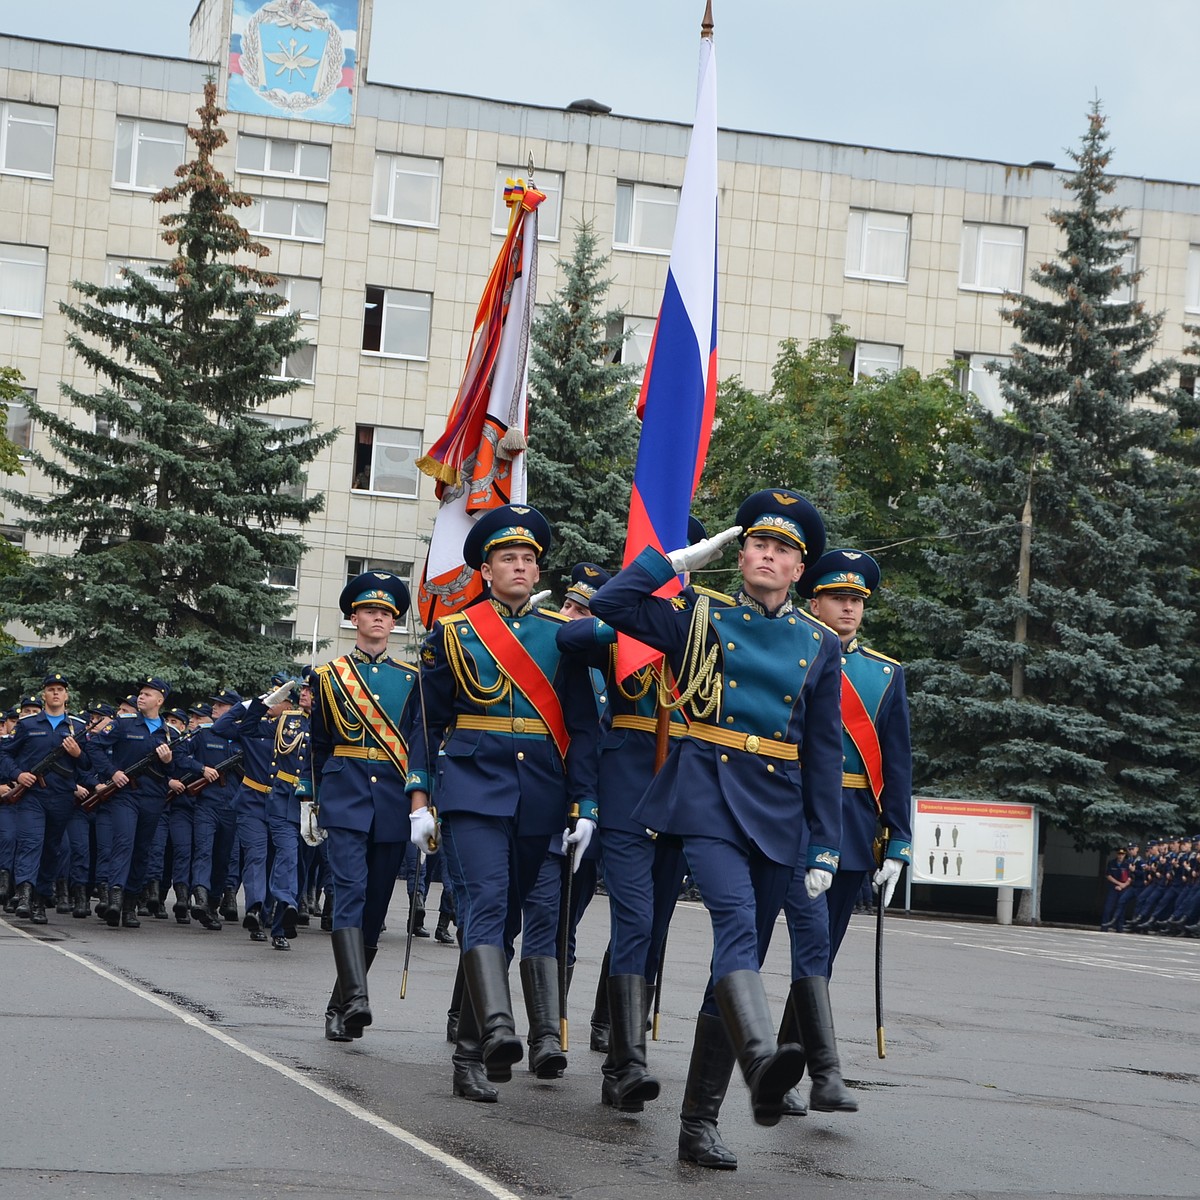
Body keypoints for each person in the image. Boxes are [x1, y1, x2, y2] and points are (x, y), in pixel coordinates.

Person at [589, 489, 843, 1170]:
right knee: (733, 922)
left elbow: (823, 749)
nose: (766, 554)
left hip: (778, 809)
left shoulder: (818, 644)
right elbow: (610, 606)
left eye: (782, 549)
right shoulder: (698, 617)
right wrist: (670, 560)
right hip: (704, 794)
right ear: (742, 556)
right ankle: (761, 1059)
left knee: (741, 963)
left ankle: (697, 1124)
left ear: (799, 570)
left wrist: (825, 841)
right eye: (757, 543)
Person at [407, 505, 600, 1104]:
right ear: (486, 571)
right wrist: (420, 797)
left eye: (528, 559)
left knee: (542, 912)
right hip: (472, 792)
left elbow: (582, 727)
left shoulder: (560, 638)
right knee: (486, 907)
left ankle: (533, 1039)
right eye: (508, 559)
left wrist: (585, 802)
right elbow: (424, 722)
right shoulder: (456, 634)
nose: (520, 566)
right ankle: (491, 1037)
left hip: (541, 794)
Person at [778, 549, 913, 1117]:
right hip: (786, 812)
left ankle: (792, 1067)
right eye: (839, 598)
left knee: (820, 955)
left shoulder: (884, 674)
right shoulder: (789, 650)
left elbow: (899, 763)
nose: (850, 608)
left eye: (858, 600)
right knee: (755, 942)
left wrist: (899, 840)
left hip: (854, 824)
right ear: (815, 601)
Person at [310, 571, 423, 1042]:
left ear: (393, 622)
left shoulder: (411, 679)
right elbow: (318, 744)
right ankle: (357, 998)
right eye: (368, 611)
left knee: (376, 905)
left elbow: (419, 743)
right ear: (353, 617)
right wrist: (312, 800)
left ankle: (343, 1003)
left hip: (392, 801)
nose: (377, 618)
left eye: (385, 613)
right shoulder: (328, 677)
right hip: (346, 796)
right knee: (351, 892)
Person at [84, 677, 200, 928]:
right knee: (124, 842)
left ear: (160, 700)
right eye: (141, 693)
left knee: (142, 850)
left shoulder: (170, 733)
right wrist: (112, 772)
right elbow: (94, 748)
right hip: (125, 795)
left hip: (154, 798)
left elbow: (178, 769)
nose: (142, 697)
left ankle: (129, 905)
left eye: (148, 694)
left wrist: (168, 761)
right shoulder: (123, 725)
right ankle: (115, 897)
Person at [0, 673, 93, 924]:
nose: (55, 693)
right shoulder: (29, 725)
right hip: (33, 796)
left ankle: (40, 900)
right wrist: (18, 775)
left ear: (66, 695)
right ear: (44, 695)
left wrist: (77, 753)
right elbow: (4, 754)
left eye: (59, 690)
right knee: (31, 843)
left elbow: (88, 765)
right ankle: (25, 894)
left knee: (52, 849)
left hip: (62, 797)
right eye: (51, 689)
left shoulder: (76, 728)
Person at [1100, 847, 1131, 931]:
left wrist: (1123, 885)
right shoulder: (1112, 863)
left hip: (1123, 889)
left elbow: (1130, 877)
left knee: (1121, 908)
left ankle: (1119, 928)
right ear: (1117, 854)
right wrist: (1118, 884)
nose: (1120, 856)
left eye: (1122, 854)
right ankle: (1104, 927)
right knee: (1108, 908)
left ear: (1125, 855)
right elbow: (1108, 875)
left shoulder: (1128, 864)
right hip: (1113, 888)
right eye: (1119, 854)